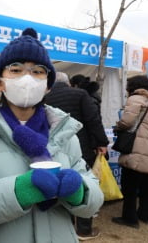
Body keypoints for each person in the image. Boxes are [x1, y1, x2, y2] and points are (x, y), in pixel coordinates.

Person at [0, 28, 104, 243]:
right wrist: (19, 191)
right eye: (16, 70)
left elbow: (94, 200)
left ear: (48, 85)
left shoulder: (65, 134)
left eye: (38, 71)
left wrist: (81, 191)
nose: (27, 78)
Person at [44, 71, 108, 240]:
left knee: (59, 185)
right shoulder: (80, 94)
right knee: (82, 183)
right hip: (81, 146)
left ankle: (67, 225)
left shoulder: (46, 97)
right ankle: (84, 230)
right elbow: (93, 119)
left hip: (53, 147)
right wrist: (101, 142)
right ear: (69, 83)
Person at [111, 75, 148, 228]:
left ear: (132, 87)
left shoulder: (135, 99)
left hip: (137, 146)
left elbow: (127, 122)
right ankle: (147, 216)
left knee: (130, 183)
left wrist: (118, 125)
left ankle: (129, 218)